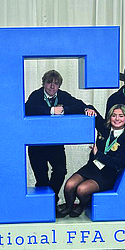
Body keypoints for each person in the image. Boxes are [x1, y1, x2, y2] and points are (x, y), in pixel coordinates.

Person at [25, 70, 96, 202]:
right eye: (49, 83)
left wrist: (67, 110)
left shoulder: (63, 96)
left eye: (56, 84)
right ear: (43, 84)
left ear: (59, 85)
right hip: (37, 146)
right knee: (41, 178)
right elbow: (28, 109)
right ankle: (45, 205)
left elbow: (79, 105)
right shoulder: (35, 95)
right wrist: (50, 111)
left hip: (56, 145)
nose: (52, 86)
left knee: (60, 171)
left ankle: (52, 199)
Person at [59, 104, 125, 218]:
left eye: (121, 116)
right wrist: (87, 109)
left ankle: (81, 205)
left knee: (81, 190)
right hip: (92, 167)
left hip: (108, 173)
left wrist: (97, 154)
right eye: (114, 115)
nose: (117, 119)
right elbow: (90, 108)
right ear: (109, 117)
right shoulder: (104, 128)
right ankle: (69, 207)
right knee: (69, 185)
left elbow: (118, 163)